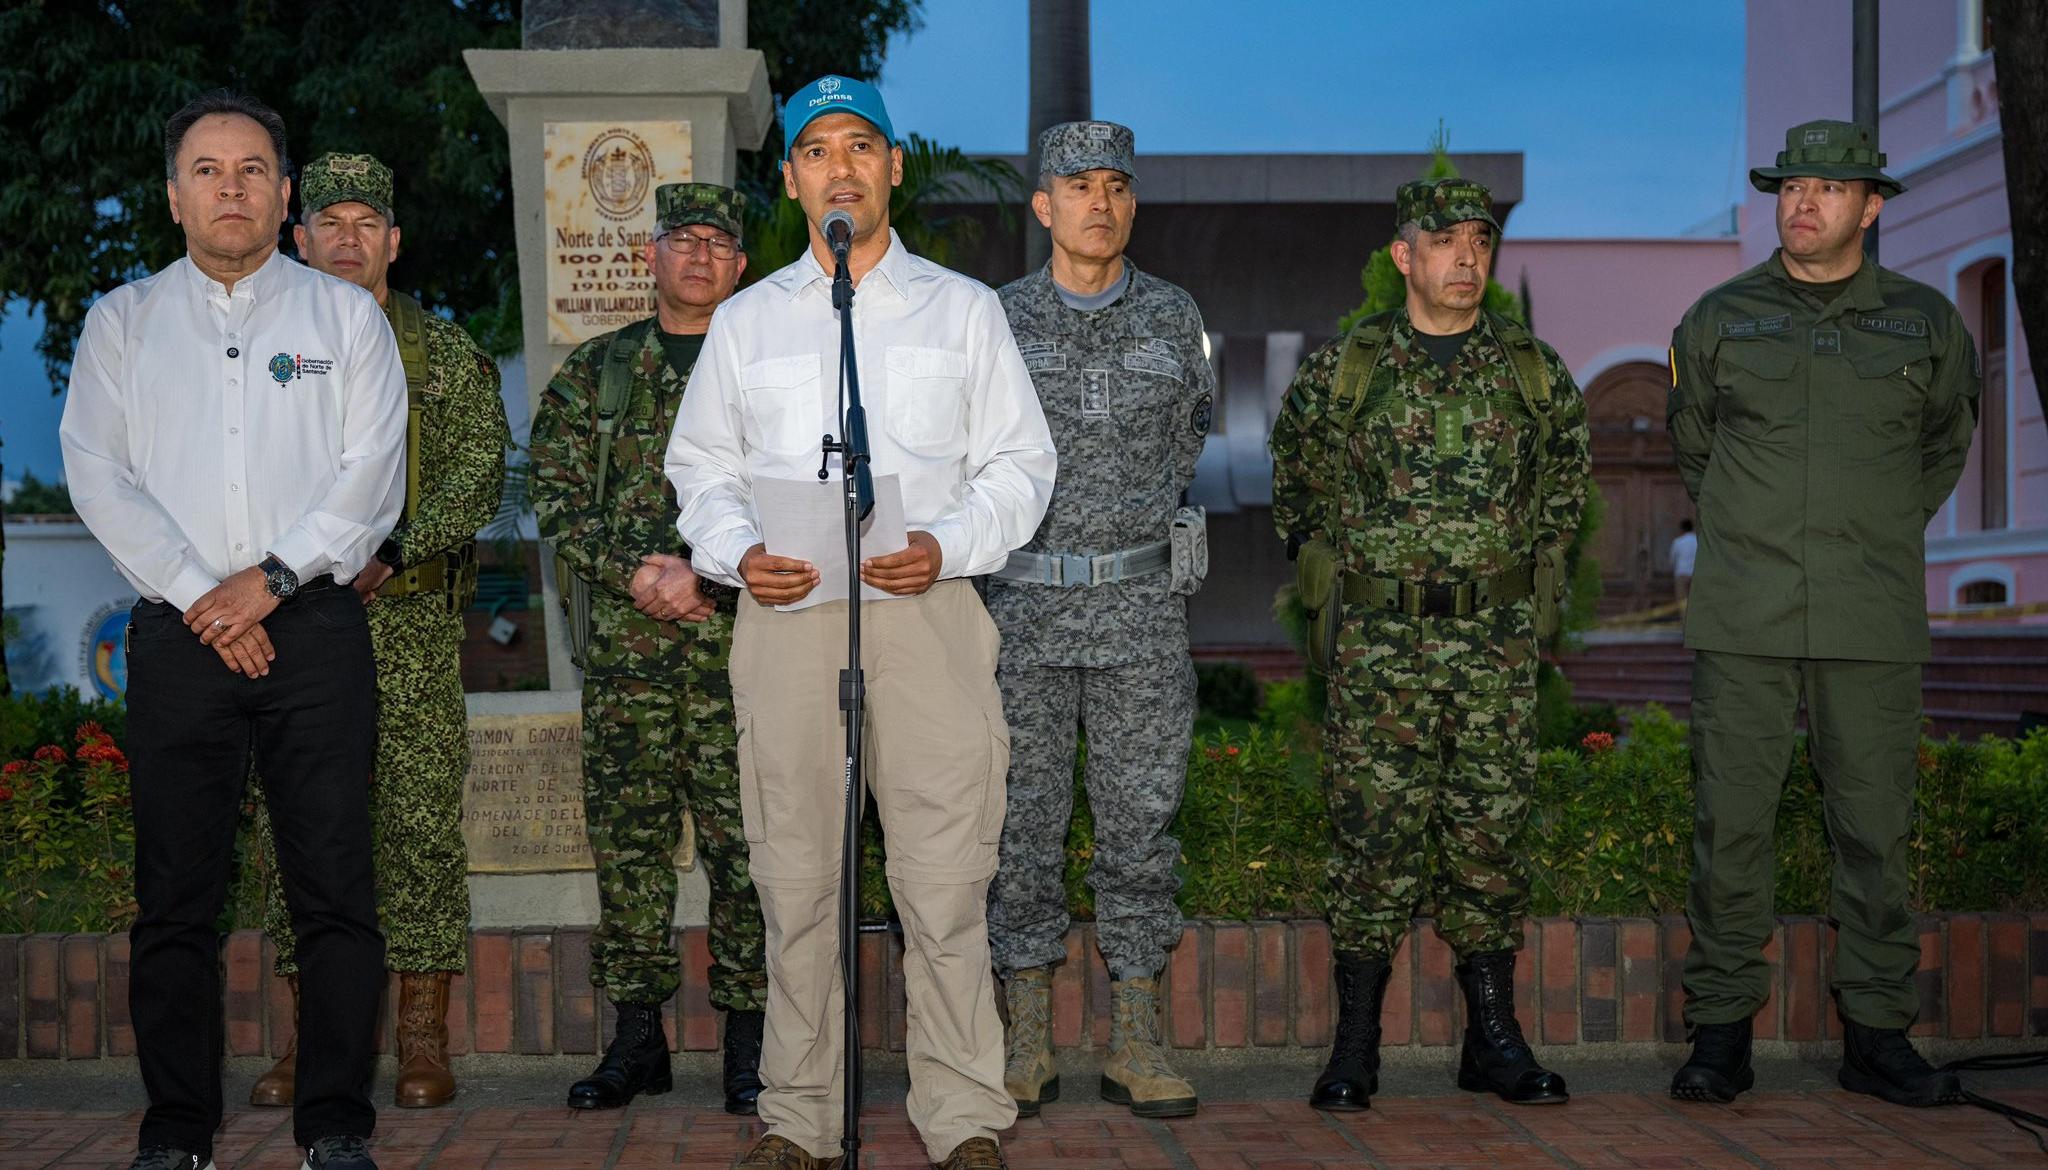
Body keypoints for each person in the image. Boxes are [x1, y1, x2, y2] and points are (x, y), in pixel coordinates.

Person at [666, 75, 1055, 1170]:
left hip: (924, 611)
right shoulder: (746, 324)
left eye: (860, 146)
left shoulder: (962, 309)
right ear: (788, 178)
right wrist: (737, 553)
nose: (840, 166)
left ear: (892, 168)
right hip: (790, 621)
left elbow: (1022, 464)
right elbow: (698, 470)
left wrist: (955, 544)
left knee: (942, 885)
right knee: (795, 884)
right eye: (816, 150)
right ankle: (798, 1118)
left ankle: (966, 1116)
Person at [59, 90, 405, 1170]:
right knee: (175, 899)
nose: (231, 189)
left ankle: (337, 1122)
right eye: (207, 170)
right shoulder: (122, 323)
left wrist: (269, 581)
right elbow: (98, 476)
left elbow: (372, 477)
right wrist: (205, 598)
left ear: (285, 193)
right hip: (177, 637)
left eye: (252, 170)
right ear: (173, 196)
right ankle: (177, 1128)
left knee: (336, 891)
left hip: (313, 631)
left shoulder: (344, 321)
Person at [1666, 120, 1979, 1107]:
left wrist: (1871, 534)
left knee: (1875, 830)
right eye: (1789, 186)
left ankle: (1876, 1035)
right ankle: (1719, 1035)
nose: (1802, 202)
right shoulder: (1716, 319)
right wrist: (1759, 536)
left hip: (1867, 614)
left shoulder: (1925, 326)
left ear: (1869, 205)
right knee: (1731, 827)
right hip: (1743, 614)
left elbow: (1940, 450)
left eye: (1826, 188)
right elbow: (1694, 452)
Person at [1270, 178, 1588, 1112]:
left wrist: (1529, 568)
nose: (1466, 257)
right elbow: (1297, 483)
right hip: (1383, 651)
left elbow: (1566, 481)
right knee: (1372, 841)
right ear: (1404, 256)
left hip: (1492, 647)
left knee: (1489, 837)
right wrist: (1347, 570)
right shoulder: (1348, 371)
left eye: (1479, 241)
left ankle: (1494, 1040)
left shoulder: (1529, 371)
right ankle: (1355, 1045)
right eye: (1443, 240)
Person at [241, 151, 508, 1112]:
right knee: (298, 825)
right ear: (297, 237)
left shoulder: (439, 351)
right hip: (289, 625)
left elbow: (481, 469)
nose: (347, 241)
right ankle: (312, 1039)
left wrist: (395, 547)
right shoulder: (260, 350)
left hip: (405, 623)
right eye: (329, 224)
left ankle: (422, 1040)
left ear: (392, 241)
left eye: (367, 225)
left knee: (419, 825)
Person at [985, 119, 1210, 1121]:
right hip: (1021, 616)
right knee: (1018, 828)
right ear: (1042, 206)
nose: (1099, 203)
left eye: (1116, 185)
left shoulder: (1173, 317)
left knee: (1138, 830)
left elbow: (1191, 437)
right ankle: (1024, 1036)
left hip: (1139, 617)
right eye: (1078, 187)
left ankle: (1138, 1037)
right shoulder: (992, 322)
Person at [529, 183, 770, 1114]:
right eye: (681, 239)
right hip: (628, 666)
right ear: (651, 257)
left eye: (718, 240)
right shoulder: (598, 372)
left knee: (746, 851)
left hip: (739, 657)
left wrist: (708, 582)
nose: (700, 255)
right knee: (627, 852)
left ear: (740, 264)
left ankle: (750, 1043)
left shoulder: (768, 372)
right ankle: (638, 1041)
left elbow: (802, 497)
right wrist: (638, 573)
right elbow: (555, 497)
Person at [1669, 519, 1697, 603]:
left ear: (1682, 529)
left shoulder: (1678, 542)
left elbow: (1672, 559)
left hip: (1682, 573)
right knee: (1695, 602)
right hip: (1696, 574)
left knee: (1682, 602)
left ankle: (1684, 616)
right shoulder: (1698, 541)